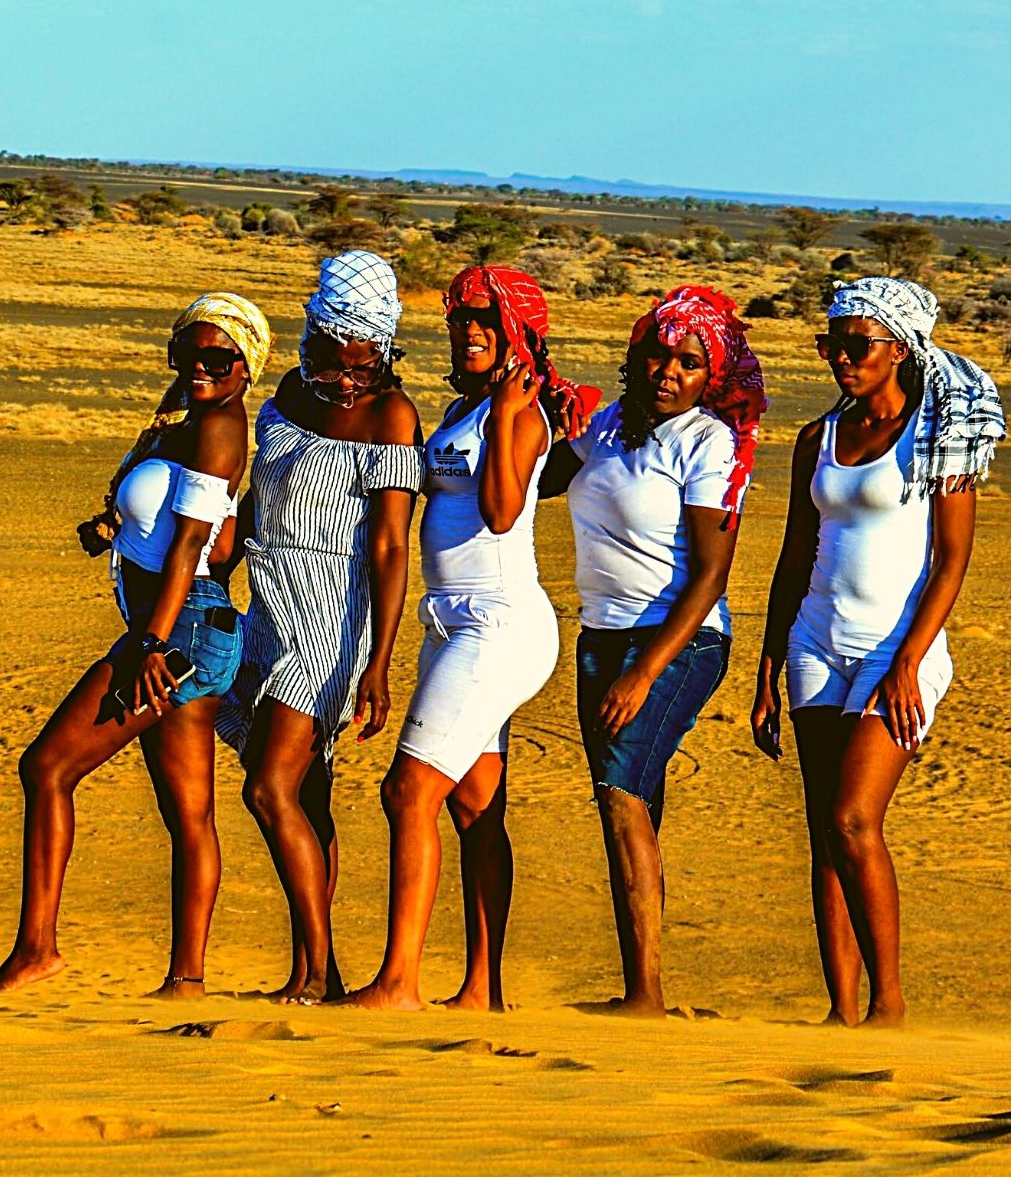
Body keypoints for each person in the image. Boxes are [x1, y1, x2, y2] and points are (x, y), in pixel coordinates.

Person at [0, 293, 269, 996]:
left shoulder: (219, 431)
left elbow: (197, 546)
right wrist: (112, 531)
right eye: (188, 355)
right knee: (188, 811)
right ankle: (186, 978)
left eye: (218, 359)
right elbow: (183, 529)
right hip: (188, 627)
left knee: (47, 767)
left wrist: (149, 643)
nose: (200, 369)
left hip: (180, 630)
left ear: (244, 368)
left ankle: (37, 949)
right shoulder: (188, 422)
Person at [751, 276, 1004, 1027]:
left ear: (901, 348)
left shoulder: (940, 439)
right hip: (814, 642)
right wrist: (767, 665)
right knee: (822, 828)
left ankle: (889, 1006)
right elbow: (796, 554)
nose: (841, 358)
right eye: (832, 344)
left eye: (857, 345)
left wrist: (907, 662)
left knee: (856, 818)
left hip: (900, 646)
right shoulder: (816, 438)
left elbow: (952, 559)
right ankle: (842, 1010)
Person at [348, 265, 599, 1011]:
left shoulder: (514, 414)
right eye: (461, 320)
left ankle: (398, 982)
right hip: (452, 620)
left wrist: (509, 415)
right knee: (472, 805)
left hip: (499, 623)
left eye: (486, 319)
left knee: (408, 789)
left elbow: (499, 510)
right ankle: (483, 989)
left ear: (519, 328)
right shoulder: (469, 405)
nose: (470, 331)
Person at [544, 284, 764, 1016]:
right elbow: (539, 478)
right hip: (601, 634)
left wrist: (645, 672)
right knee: (627, 799)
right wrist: (541, 407)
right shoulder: (607, 427)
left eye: (689, 362)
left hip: (678, 641)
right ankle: (642, 980)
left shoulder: (709, 442)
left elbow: (710, 577)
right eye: (657, 355)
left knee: (620, 794)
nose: (670, 371)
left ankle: (646, 995)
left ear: (712, 377)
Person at [217, 250, 421, 1004]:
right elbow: (248, 502)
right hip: (269, 598)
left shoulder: (392, 414)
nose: (345, 373)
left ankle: (314, 972)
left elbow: (392, 543)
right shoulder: (287, 396)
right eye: (332, 353)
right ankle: (319, 972)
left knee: (268, 788)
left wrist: (378, 662)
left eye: (362, 358)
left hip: (334, 617)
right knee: (312, 795)